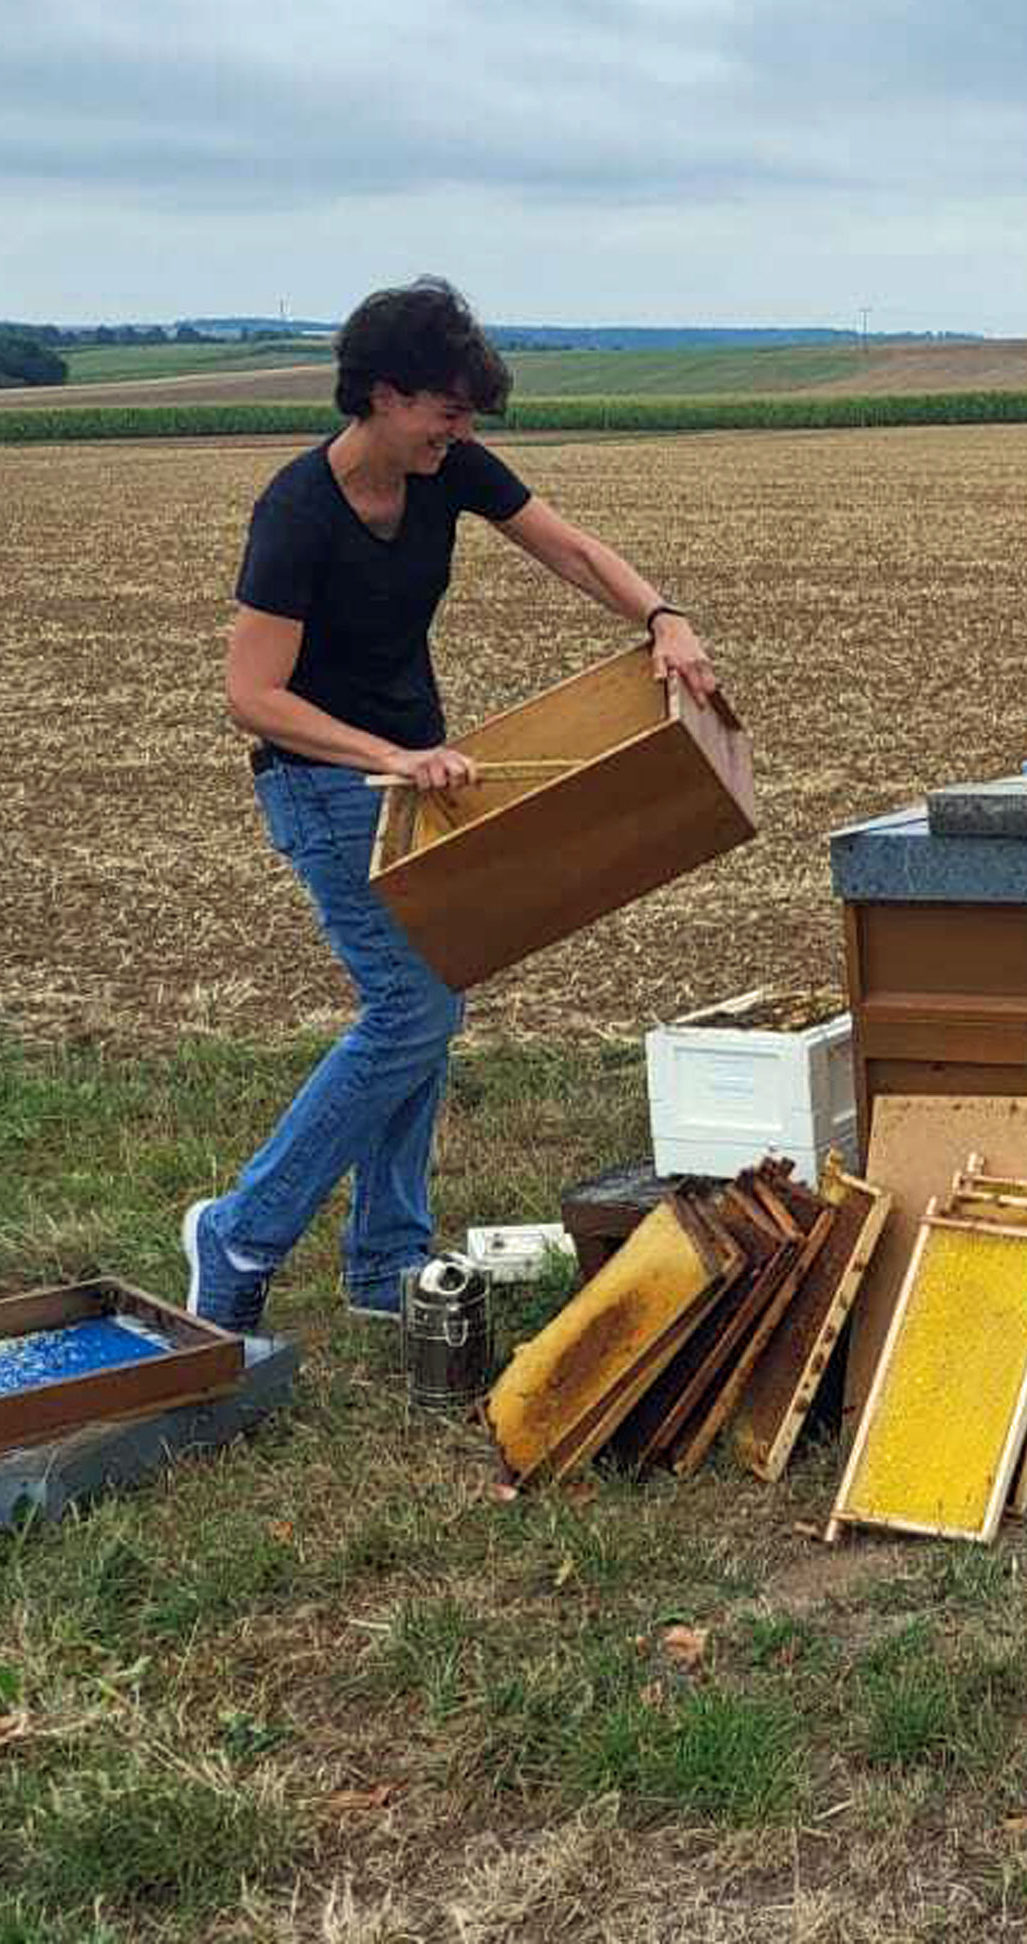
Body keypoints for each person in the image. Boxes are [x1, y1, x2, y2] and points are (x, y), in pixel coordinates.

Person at [181, 277, 718, 1331]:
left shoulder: (447, 470)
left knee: (432, 1002)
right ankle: (241, 1228)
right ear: (383, 395)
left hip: (410, 768)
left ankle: (385, 1264)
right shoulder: (297, 513)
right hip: (324, 781)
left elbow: (566, 546)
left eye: (469, 418)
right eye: (447, 412)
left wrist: (662, 616)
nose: (460, 434)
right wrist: (390, 753)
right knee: (411, 1007)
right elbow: (254, 698)